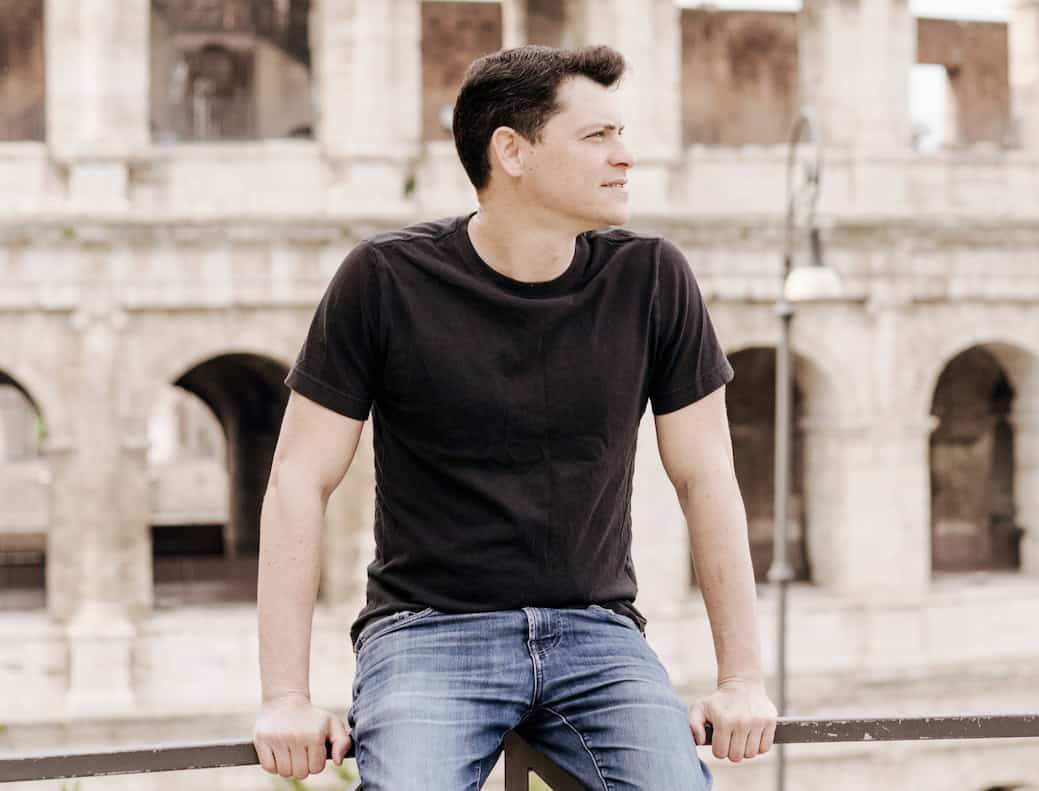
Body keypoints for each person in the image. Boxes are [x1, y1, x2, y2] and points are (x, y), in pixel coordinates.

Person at [250, 44, 776, 790]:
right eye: (598, 136)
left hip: (597, 635)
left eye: (621, 134)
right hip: (428, 633)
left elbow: (707, 477)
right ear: (512, 151)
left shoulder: (652, 277)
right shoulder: (385, 279)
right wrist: (286, 697)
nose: (626, 156)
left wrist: (742, 677)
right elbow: (298, 479)